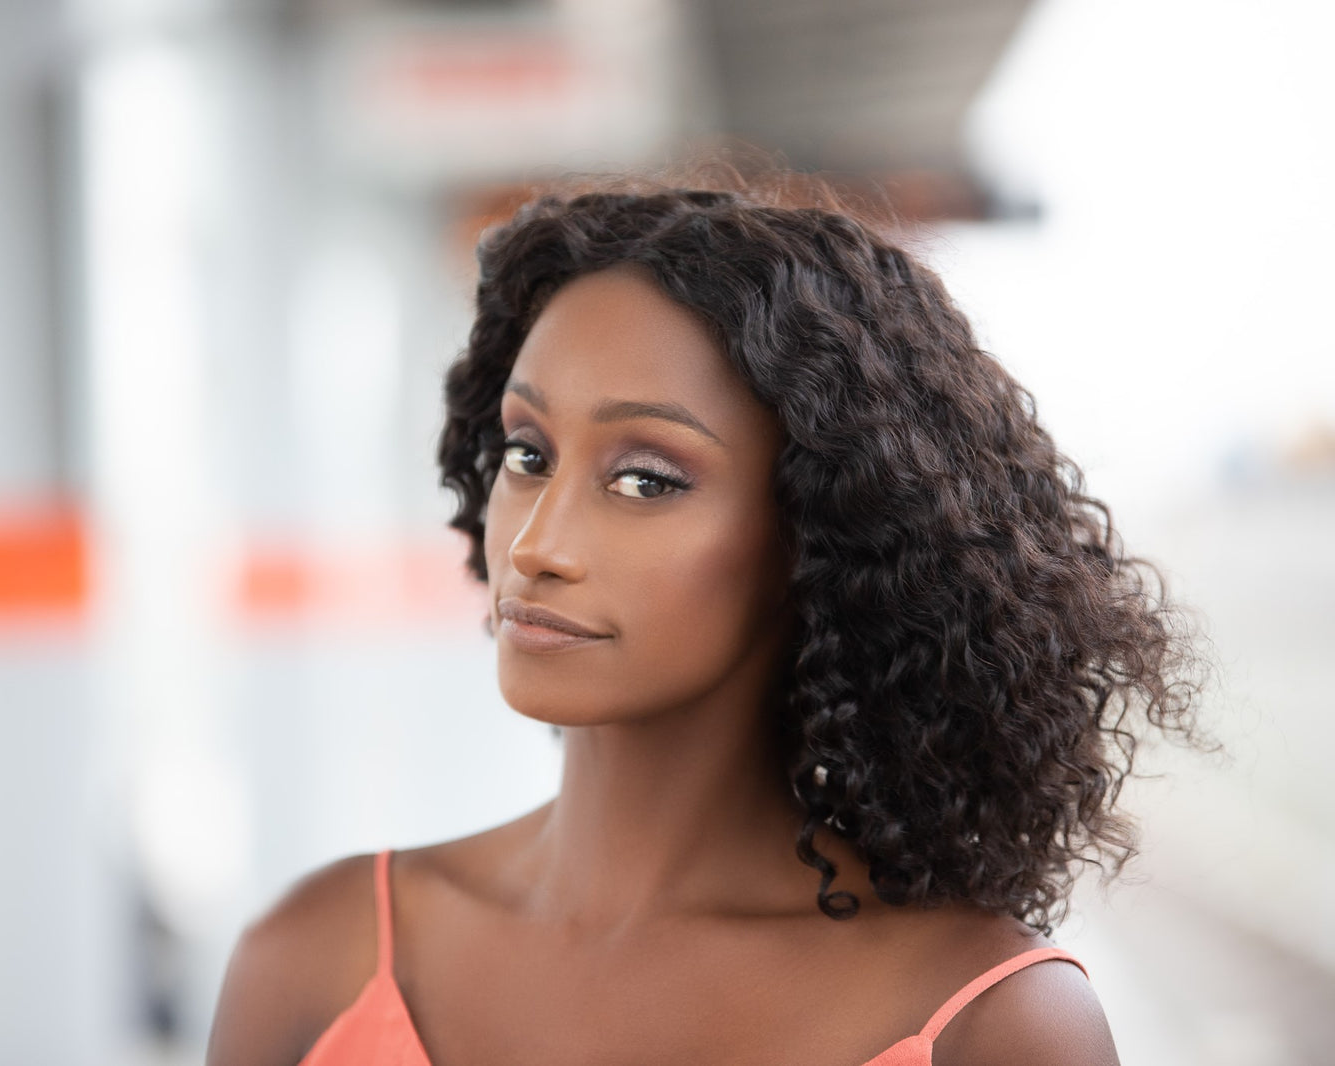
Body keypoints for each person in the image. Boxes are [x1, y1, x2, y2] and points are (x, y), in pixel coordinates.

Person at [207, 176, 1202, 1066]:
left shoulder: (990, 1026)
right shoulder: (315, 955)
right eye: (526, 454)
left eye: (646, 479)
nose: (536, 543)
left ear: (823, 530)